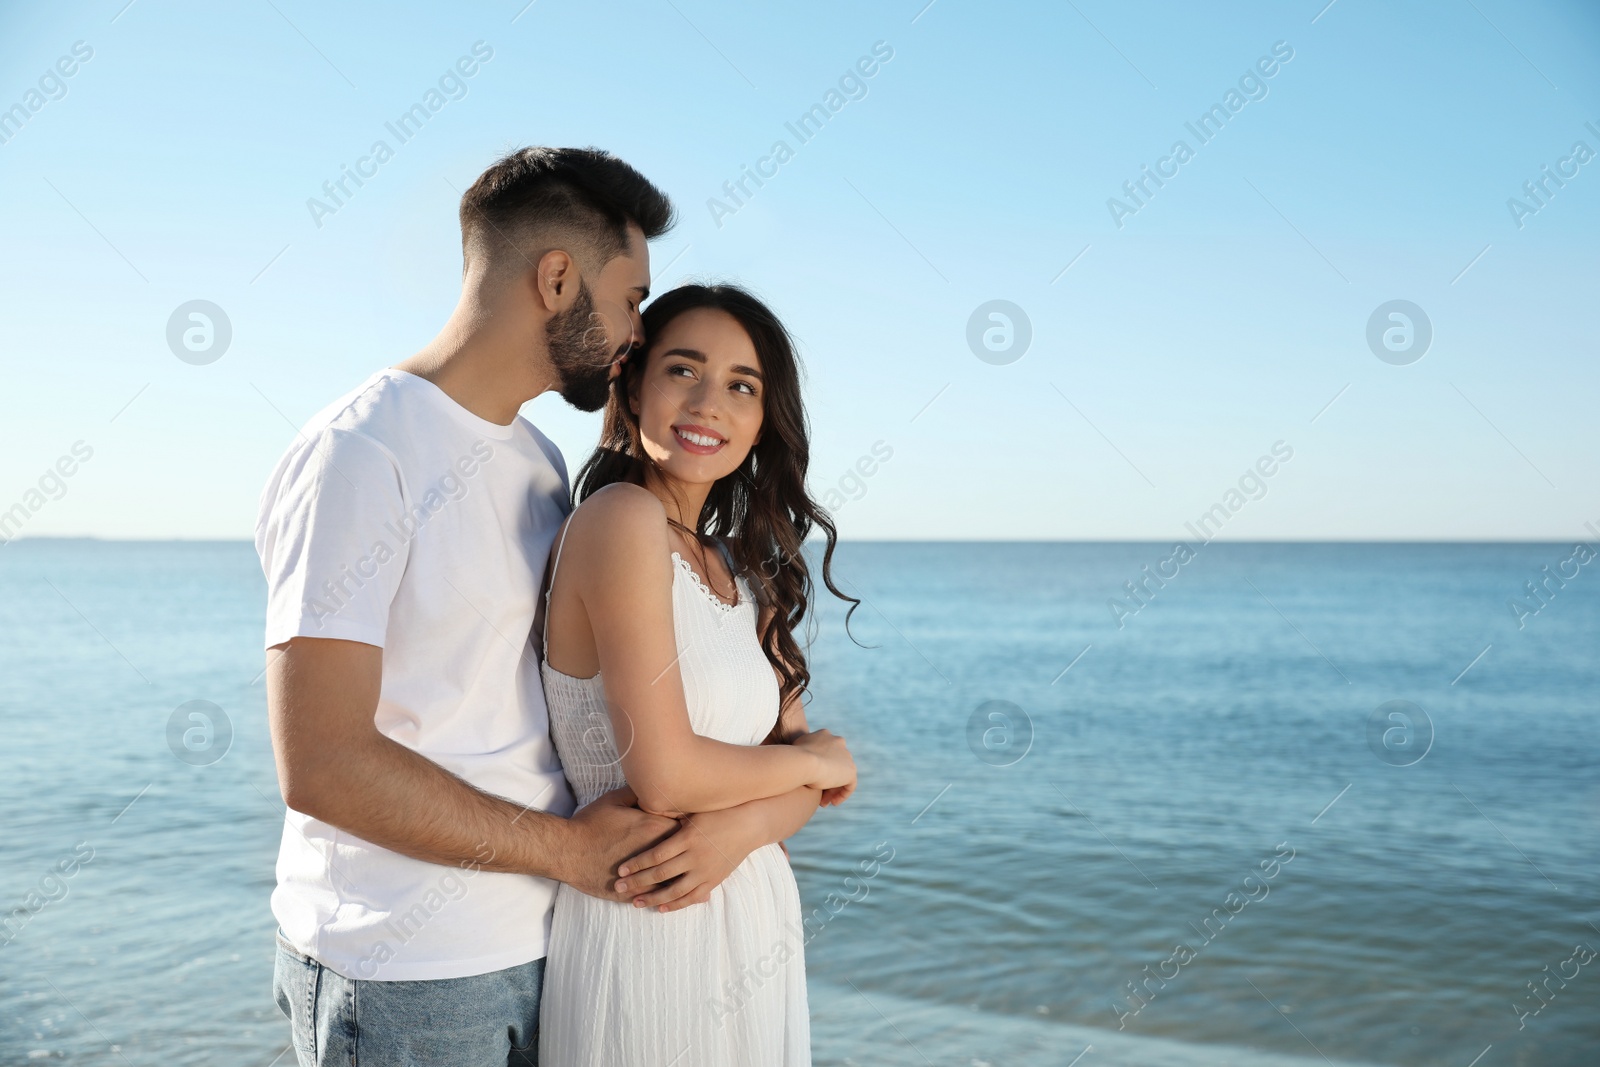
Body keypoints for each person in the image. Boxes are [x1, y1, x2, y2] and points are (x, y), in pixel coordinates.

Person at [255, 147, 832, 1065]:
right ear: (559, 278)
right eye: (633, 299)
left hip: (548, 937)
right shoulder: (360, 453)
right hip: (406, 963)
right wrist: (571, 851)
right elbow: (322, 761)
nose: (635, 332)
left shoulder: (536, 463)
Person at [536, 283, 859, 1065]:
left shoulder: (745, 570)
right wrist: (816, 760)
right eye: (684, 370)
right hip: (651, 923)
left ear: (762, 419)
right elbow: (670, 775)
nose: (710, 402)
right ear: (634, 385)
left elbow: (799, 789)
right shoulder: (618, 520)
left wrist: (743, 827)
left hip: (752, 918)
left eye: (742, 386)